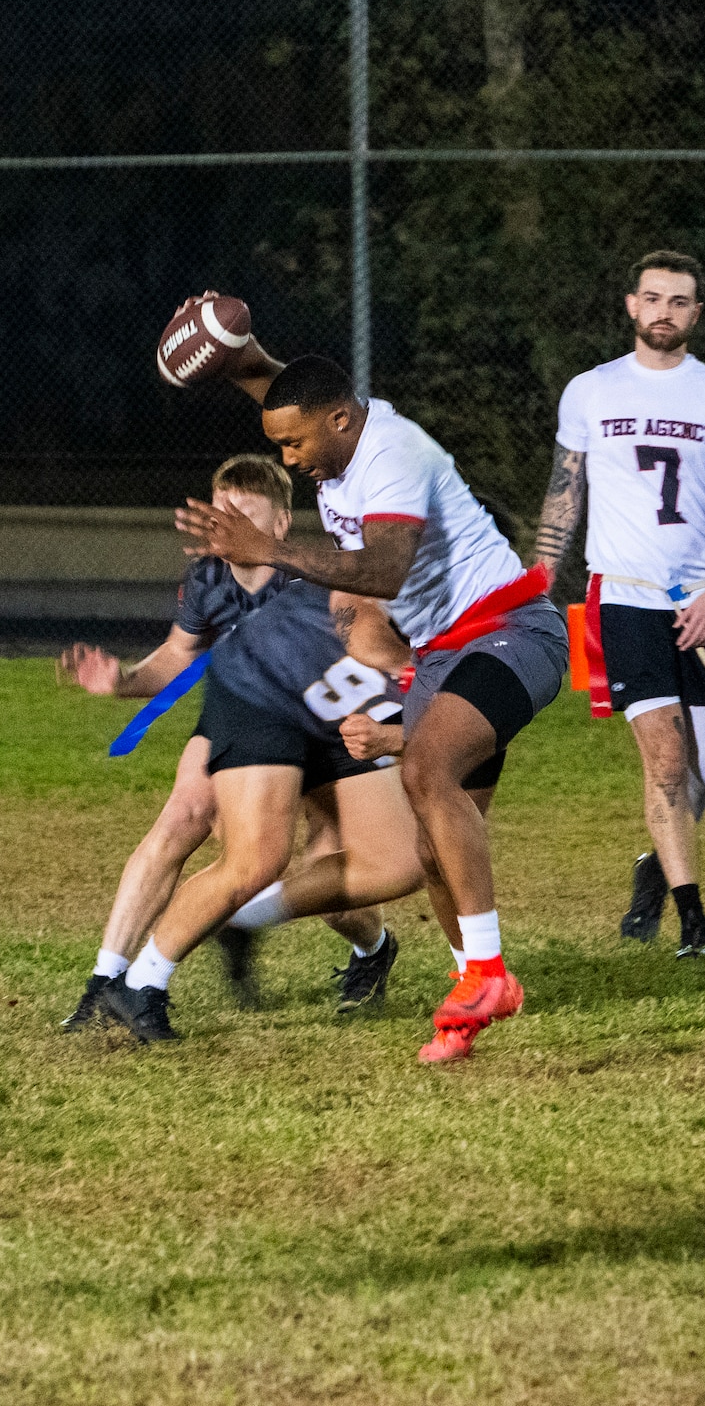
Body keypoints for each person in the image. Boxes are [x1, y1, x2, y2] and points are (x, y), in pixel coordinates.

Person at [177, 352, 569, 1064]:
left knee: (426, 772)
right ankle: (468, 1003)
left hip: (510, 631)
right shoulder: (338, 427)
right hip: (445, 652)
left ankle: (489, 975)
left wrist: (269, 549)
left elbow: (385, 568)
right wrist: (234, 357)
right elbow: (290, 390)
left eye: (294, 444)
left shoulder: (392, 455)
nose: (288, 459)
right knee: (432, 849)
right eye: (279, 444)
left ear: (339, 421)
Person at [53, 454, 387, 1028]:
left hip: (321, 724)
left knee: (327, 874)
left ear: (281, 523)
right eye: (218, 513)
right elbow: (177, 655)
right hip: (246, 717)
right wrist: (124, 680)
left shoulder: (311, 580)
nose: (226, 527)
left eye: (243, 515)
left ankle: (372, 948)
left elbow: (368, 657)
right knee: (185, 812)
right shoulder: (207, 578)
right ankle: (106, 984)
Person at [532, 249, 705, 958]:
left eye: (679, 301)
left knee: (704, 769)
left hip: (703, 603)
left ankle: (655, 866)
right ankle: (693, 922)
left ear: (696, 313)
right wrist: (539, 579)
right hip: (624, 599)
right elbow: (565, 492)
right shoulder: (590, 391)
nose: (664, 311)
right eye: (653, 298)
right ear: (632, 304)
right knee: (663, 761)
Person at [95, 579, 421, 1043]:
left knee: (399, 864)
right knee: (256, 860)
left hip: (345, 700)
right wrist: (408, 671)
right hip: (267, 680)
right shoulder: (430, 575)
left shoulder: (495, 632)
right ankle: (140, 982)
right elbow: (359, 612)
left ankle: (243, 918)